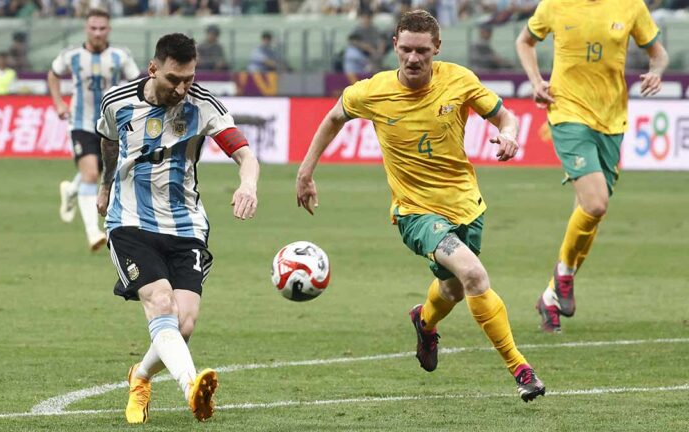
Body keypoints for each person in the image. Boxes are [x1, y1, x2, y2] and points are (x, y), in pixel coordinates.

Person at [296, 10, 546, 402]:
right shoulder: (372, 91)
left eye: (423, 51)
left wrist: (510, 136)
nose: (414, 59)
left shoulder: (459, 80)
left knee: (452, 289)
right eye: (407, 49)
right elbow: (333, 117)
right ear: (394, 45)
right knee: (474, 276)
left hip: (466, 205)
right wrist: (306, 172)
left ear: (437, 49)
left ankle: (424, 322)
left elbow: (504, 117)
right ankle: (521, 369)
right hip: (415, 213)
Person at [95, 32, 259, 424]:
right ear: (153, 69)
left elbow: (245, 153)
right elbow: (109, 142)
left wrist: (248, 184)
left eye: (188, 78)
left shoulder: (203, 106)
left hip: (185, 224)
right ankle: (191, 387)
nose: (182, 88)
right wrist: (105, 185)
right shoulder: (116, 102)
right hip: (130, 221)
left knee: (182, 324)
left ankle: (141, 375)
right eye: (173, 79)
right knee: (161, 303)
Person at [515, 0, 668, 333]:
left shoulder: (630, 6)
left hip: (612, 120)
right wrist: (536, 80)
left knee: (588, 214)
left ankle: (551, 296)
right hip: (567, 112)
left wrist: (656, 72)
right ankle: (565, 275)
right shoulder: (554, 5)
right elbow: (524, 41)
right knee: (597, 203)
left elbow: (658, 53)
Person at [48, 8, 140, 251]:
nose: (98, 33)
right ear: (86, 29)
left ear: (108, 29)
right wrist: (58, 102)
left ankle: (70, 191)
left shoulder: (121, 56)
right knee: (91, 174)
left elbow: (137, 83)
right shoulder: (72, 55)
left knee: (103, 170)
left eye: (102, 28)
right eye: (93, 28)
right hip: (80, 123)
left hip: (110, 125)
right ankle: (93, 233)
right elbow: (53, 75)